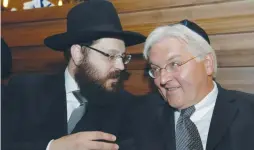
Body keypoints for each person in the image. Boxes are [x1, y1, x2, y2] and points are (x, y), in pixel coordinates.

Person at [3, 1, 145, 150]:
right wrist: (51, 147)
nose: (121, 66)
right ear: (77, 54)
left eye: (122, 57)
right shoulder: (24, 91)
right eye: (110, 55)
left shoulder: (127, 106)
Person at [133, 19, 254, 150]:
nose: (162, 79)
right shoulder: (139, 115)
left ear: (208, 64)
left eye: (174, 64)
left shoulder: (249, 111)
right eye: (156, 69)